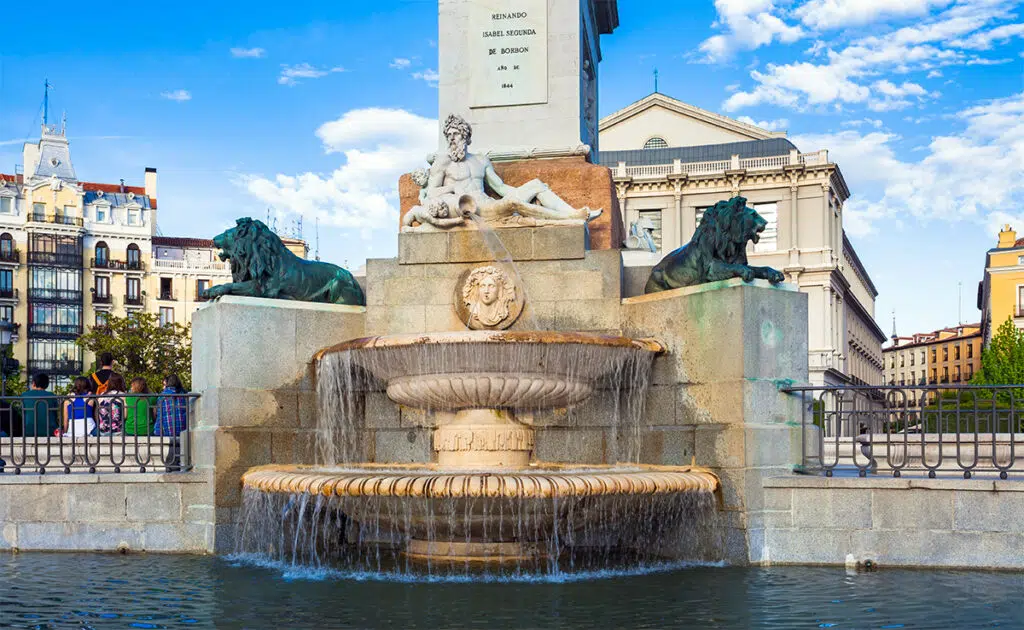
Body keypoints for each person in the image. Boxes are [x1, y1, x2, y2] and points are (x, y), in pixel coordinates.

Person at [21, 373, 60, 437]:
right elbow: (55, 414)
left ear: (33, 383)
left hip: (28, 430)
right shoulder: (52, 396)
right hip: (50, 431)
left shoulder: (24, 395)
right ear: (47, 385)